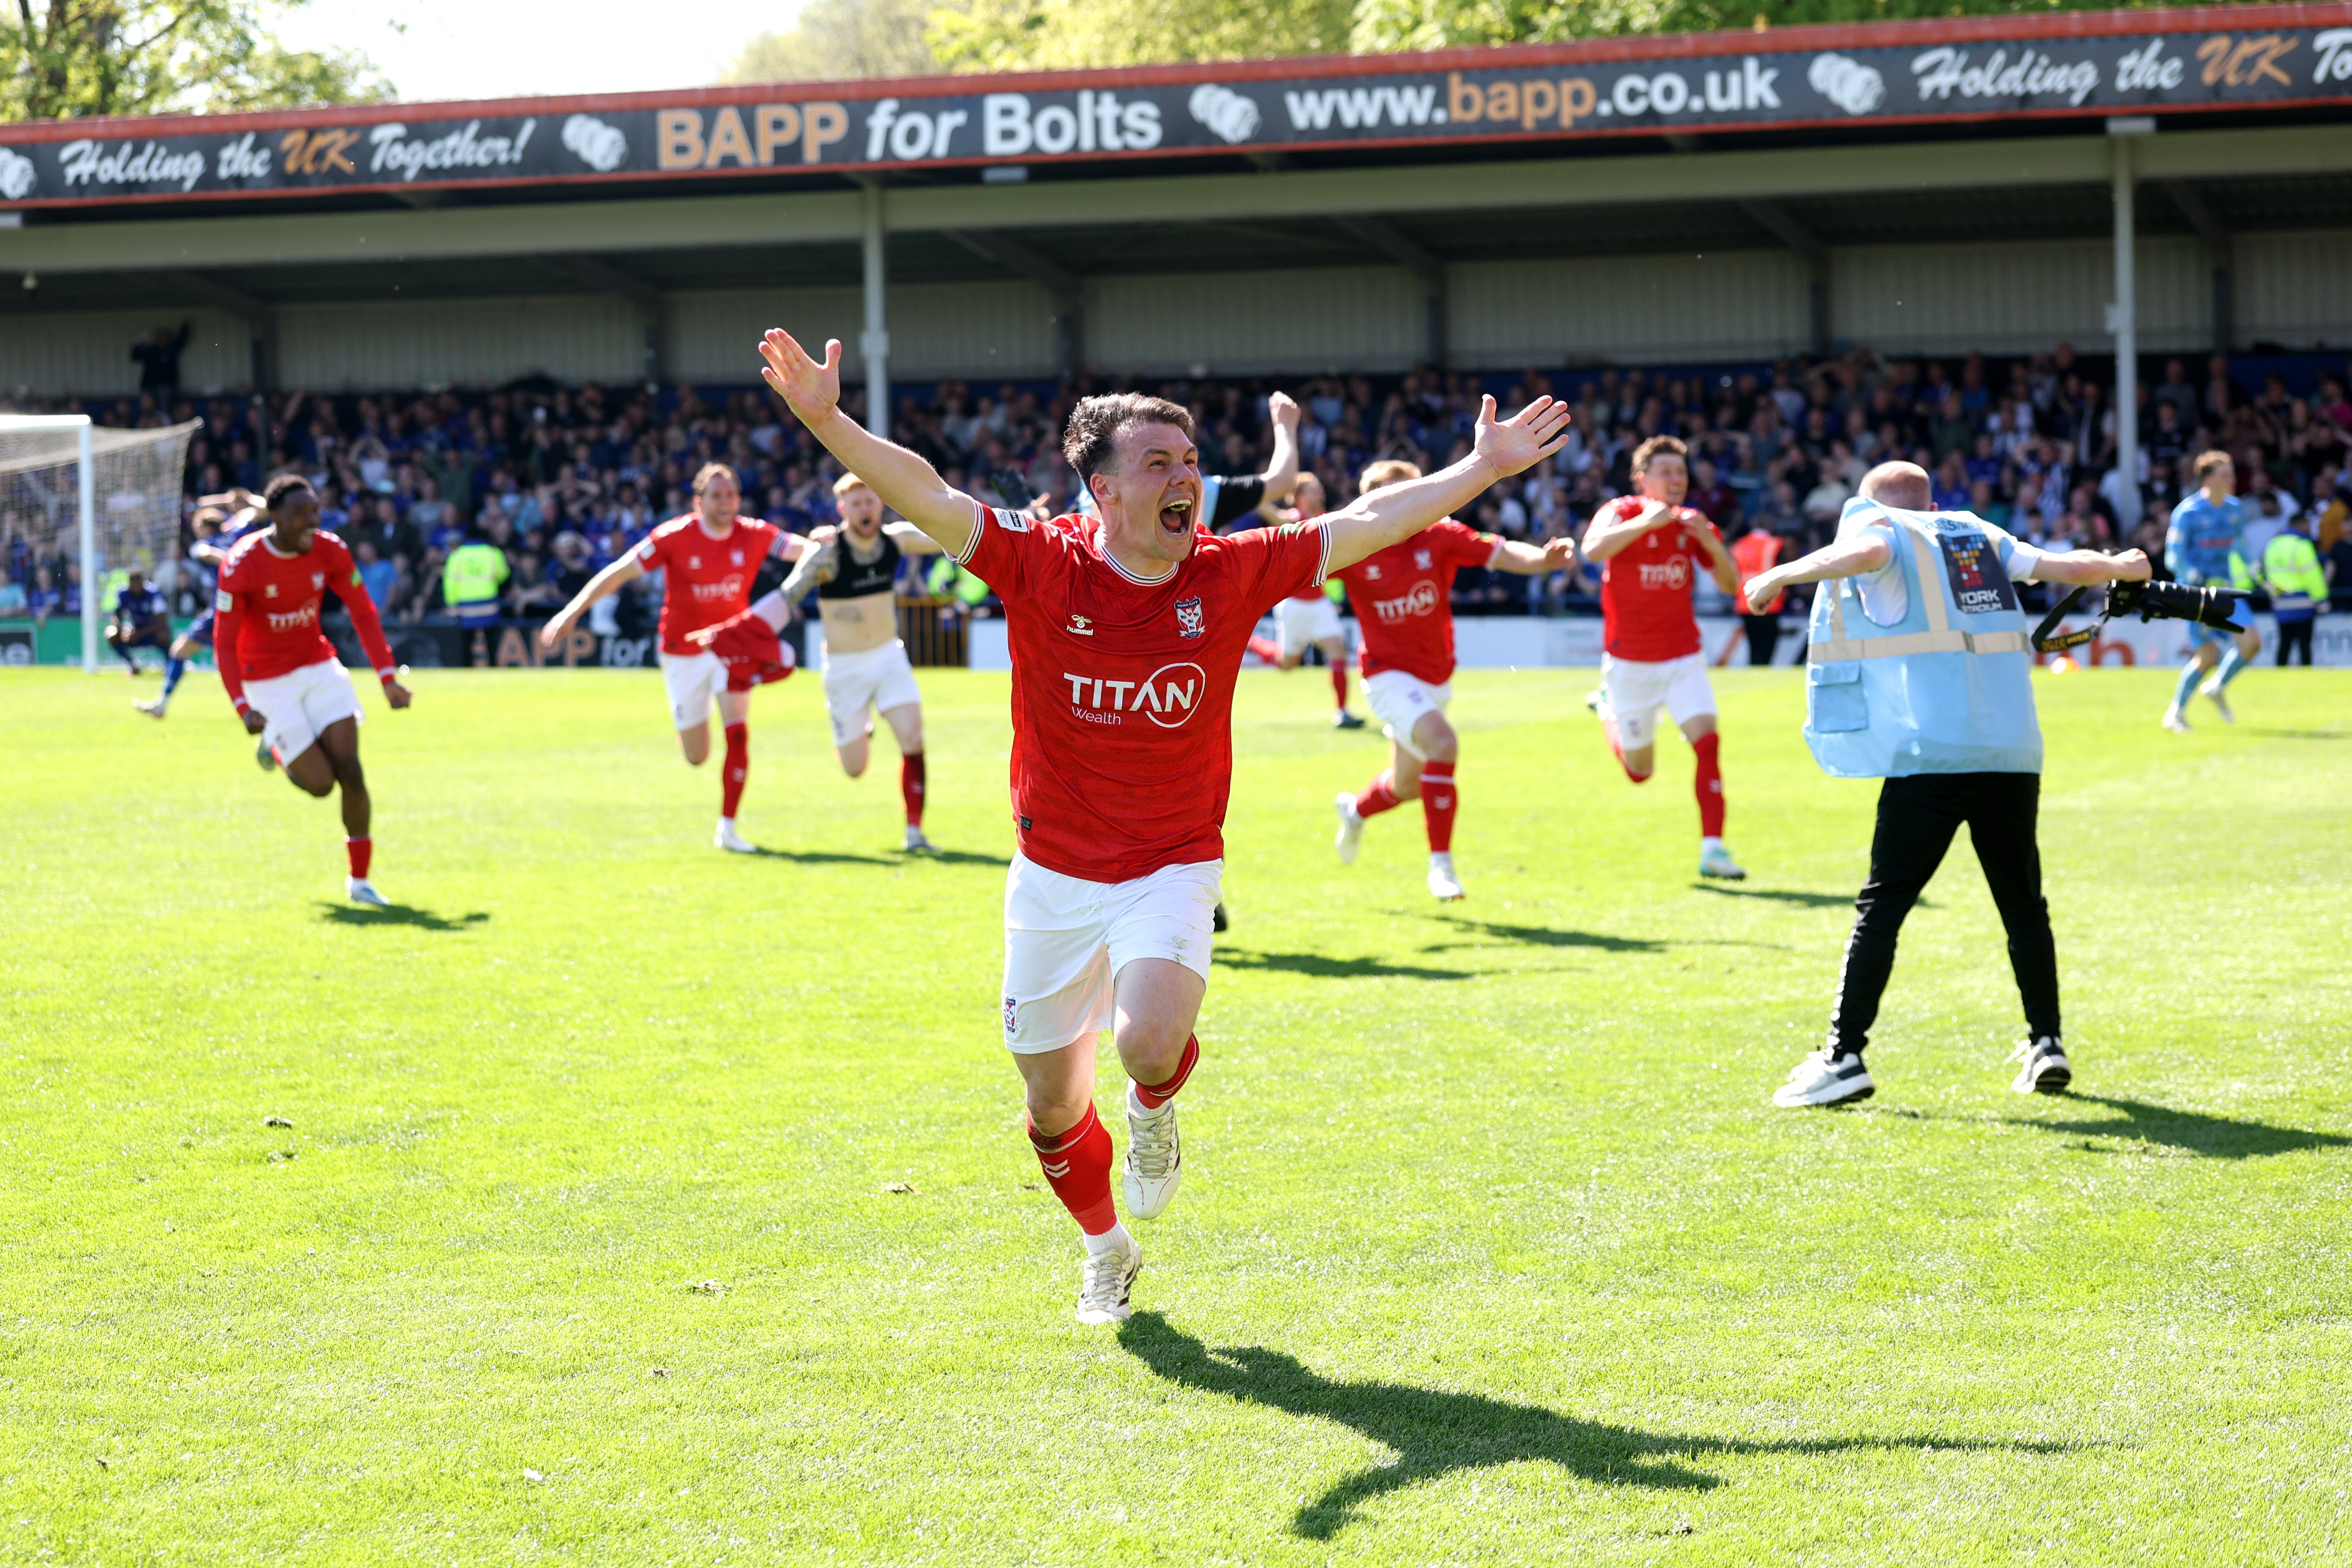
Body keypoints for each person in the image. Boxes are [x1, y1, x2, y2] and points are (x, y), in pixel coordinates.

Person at [753, 324, 1570, 1325]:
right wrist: (829, 421)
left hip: (1171, 862)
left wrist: (1477, 468)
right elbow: (924, 489)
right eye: (1157, 463)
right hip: (1050, 871)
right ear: (1101, 488)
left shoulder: (1228, 571)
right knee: (1051, 1108)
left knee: (1144, 1044)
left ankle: (1154, 1106)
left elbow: (1365, 522)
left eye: (1189, 461)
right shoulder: (1040, 562)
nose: (1184, 477)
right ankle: (1107, 1250)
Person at [1742, 461, 2151, 1109]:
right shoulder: (1975, 534)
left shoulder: (1885, 532)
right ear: (1931, 501)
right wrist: (2122, 566)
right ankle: (2046, 1041)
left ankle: (1844, 1055)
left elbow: (1866, 550)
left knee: (1883, 909)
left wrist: (1781, 572)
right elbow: (2068, 569)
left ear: (1869, 505)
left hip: (1930, 756)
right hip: (2012, 752)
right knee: (2023, 905)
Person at [1330, 459, 1573, 901]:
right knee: (1444, 744)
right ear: (1369, 502)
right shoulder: (1355, 544)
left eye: (1411, 490)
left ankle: (1355, 810)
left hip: (1435, 677)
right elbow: (1293, 569)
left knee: (1405, 784)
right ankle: (1441, 868)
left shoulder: (1440, 533)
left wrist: (1543, 559)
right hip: (1386, 675)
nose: (1404, 500)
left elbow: (1499, 552)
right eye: (1391, 491)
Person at [538, 463, 811, 853]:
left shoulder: (755, 533)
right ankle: (700, 736)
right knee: (697, 756)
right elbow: (618, 572)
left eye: (731, 494)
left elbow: (806, 550)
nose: (725, 502)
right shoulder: (673, 536)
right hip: (682, 652)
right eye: (716, 495)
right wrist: (573, 611)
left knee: (738, 730)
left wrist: (823, 539)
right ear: (698, 502)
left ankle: (728, 828)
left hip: (730, 645)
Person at [214, 475, 414, 906]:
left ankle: (359, 883)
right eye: (301, 514)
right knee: (321, 785)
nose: (313, 520)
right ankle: (275, 745)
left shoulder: (330, 549)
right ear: (276, 518)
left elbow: (363, 610)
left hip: (318, 666)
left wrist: (387, 676)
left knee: (352, 770)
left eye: (316, 511)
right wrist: (242, 706)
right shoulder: (242, 563)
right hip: (265, 680)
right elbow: (224, 642)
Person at [1580, 435, 1748, 881]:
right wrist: (1645, 524)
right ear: (1642, 479)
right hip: (1630, 663)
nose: (1676, 480)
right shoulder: (1620, 511)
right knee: (1640, 773)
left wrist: (1709, 544)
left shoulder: (1693, 523)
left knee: (1708, 742)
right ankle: (1607, 711)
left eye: (1680, 472)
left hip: (1682, 658)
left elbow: (1733, 586)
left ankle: (1713, 849)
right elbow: (1591, 550)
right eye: (1665, 472)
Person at [751, 472, 946, 851]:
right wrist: (749, 627)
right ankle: (861, 730)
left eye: (870, 501)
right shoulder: (827, 551)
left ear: (881, 504)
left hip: (889, 656)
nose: (865, 509)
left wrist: (1017, 519)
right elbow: (790, 592)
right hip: (843, 668)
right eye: (856, 504)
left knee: (914, 739)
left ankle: (915, 833)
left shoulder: (896, 540)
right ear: (843, 510)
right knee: (854, 769)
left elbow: (946, 534)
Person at [1233, 472, 1364, 729]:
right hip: (1293, 606)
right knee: (1287, 665)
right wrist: (1256, 495)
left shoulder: (1325, 520)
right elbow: (1275, 515)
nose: (1320, 492)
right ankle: (1252, 643)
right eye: (1314, 488)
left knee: (1337, 652)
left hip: (1320, 603)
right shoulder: (1294, 520)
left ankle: (1342, 712)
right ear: (1300, 497)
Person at [137, 491, 269, 720]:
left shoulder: (204, 544)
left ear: (204, 528)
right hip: (252, 606)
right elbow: (265, 506)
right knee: (245, 663)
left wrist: (231, 562)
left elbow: (205, 553)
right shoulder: (239, 530)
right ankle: (162, 705)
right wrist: (243, 498)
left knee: (182, 652)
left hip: (225, 609)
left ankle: (162, 704)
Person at [2162, 451, 2260, 732]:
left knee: (2252, 642)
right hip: (2195, 594)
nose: (2232, 479)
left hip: (2225, 589)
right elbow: (2172, 557)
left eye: (2232, 473)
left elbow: (2238, 542)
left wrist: (2252, 565)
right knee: (2207, 657)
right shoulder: (2187, 512)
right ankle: (2175, 713)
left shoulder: (2234, 508)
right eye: (2225, 474)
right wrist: (2191, 573)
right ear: (2207, 478)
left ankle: (2217, 687)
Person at [2259, 509, 2328, 666]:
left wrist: (2271, 590)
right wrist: (2322, 599)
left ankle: (2279, 678)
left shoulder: (2273, 544)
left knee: (2284, 644)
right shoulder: (2302, 545)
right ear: (2302, 524)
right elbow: (2313, 577)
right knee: (2305, 645)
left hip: (2281, 603)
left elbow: (2258, 571)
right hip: (2303, 603)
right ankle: (2306, 678)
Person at [1729, 521, 1790, 666]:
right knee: (1768, 642)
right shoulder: (1775, 543)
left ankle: (1755, 669)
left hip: (1744, 601)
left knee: (1753, 643)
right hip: (1769, 602)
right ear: (1769, 527)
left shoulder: (1738, 545)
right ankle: (1763, 670)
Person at [105, 568, 172, 679]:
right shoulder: (124, 594)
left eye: (139, 584)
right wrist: (121, 629)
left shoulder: (154, 594)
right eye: (133, 583)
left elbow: (162, 622)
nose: (136, 587)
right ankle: (133, 665)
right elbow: (117, 614)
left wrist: (139, 634)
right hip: (135, 631)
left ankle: (168, 665)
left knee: (164, 635)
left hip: (152, 631)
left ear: (144, 583)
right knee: (111, 634)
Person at [442, 524, 509, 626]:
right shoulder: (494, 552)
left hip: (465, 608)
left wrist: (451, 604)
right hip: (489, 604)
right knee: (490, 638)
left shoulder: (456, 555)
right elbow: (503, 574)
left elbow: (450, 583)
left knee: (467, 639)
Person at [131, 323, 190, 399]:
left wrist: (184, 326)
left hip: (165, 386)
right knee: (147, 404)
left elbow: (182, 339)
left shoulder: (171, 349)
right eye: (160, 337)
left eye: (165, 337)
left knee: (164, 404)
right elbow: (135, 357)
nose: (162, 339)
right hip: (149, 385)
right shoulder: (151, 350)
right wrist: (138, 343)